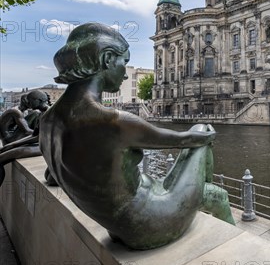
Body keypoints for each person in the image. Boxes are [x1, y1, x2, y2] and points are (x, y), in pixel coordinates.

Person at [39, 23, 234, 250]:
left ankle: (202, 196)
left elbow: (55, 175)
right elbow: (188, 140)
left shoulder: (47, 122)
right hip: (152, 223)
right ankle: (207, 202)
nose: (124, 73)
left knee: (196, 177)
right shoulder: (112, 120)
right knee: (202, 128)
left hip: (118, 227)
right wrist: (208, 135)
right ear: (107, 59)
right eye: (125, 62)